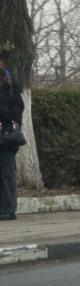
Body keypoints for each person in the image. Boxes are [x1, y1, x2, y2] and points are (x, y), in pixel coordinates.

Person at [0, 58, 24, 220]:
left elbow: (17, 110)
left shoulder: (11, 86)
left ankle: (8, 209)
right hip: (6, 132)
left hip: (6, 136)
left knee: (7, 173)